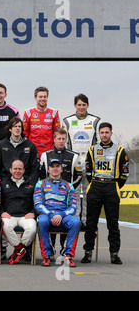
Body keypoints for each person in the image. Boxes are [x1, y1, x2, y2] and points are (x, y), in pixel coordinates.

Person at [81, 122, 129, 265]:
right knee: (91, 222)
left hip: (111, 186)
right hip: (95, 185)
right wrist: (95, 182)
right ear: (98, 134)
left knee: (113, 223)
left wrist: (114, 184)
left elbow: (125, 173)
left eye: (107, 132)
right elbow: (88, 171)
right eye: (102, 132)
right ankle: (88, 252)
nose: (104, 135)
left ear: (111, 133)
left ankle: (114, 253)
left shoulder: (119, 150)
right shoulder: (92, 149)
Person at [39, 127, 82, 257]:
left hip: (67, 196)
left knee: (68, 220)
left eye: (64, 139)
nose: (61, 141)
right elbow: (41, 176)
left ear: (66, 140)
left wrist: (69, 189)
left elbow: (79, 175)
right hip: (49, 197)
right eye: (59, 138)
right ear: (54, 139)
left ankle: (64, 248)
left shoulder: (74, 156)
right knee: (49, 220)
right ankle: (50, 248)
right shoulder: (45, 155)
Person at [62, 94, 101, 225]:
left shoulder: (95, 120)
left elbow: (99, 143)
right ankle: (76, 219)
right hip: (74, 163)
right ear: (75, 106)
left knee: (89, 193)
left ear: (87, 105)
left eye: (84, 105)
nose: (81, 107)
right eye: (79, 105)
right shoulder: (67, 121)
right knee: (74, 192)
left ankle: (87, 219)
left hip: (90, 163)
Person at [34, 158, 79, 267]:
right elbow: (38, 204)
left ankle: (68, 255)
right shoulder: (40, 184)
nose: (55, 169)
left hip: (63, 215)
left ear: (61, 169)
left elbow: (73, 206)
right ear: (48, 169)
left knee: (76, 221)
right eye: (52, 166)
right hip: (47, 215)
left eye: (57, 166)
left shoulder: (69, 185)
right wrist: (51, 214)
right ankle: (46, 255)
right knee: (42, 221)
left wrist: (61, 215)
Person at [0, 160, 36, 264]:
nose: (17, 171)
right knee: (5, 226)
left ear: (24, 170)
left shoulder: (31, 185)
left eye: (20, 169)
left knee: (32, 229)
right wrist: (2, 212)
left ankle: (19, 250)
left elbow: (37, 202)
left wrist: (33, 212)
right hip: (9, 216)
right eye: (15, 169)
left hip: (25, 216)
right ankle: (20, 248)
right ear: (10, 170)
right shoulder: (3, 184)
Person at [0, 117, 40, 183]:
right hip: (5, 183)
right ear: (10, 129)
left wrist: (30, 183)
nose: (17, 128)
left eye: (19, 126)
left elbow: (35, 168)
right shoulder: (1, 145)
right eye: (15, 126)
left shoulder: (30, 146)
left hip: (25, 183)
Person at [22, 86, 61, 157]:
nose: (42, 99)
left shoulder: (54, 112)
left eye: (44, 97)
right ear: (35, 98)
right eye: (40, 97)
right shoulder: (28, 112)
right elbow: (24, 133)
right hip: (33, 149)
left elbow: (57, 133)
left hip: (50, 150)